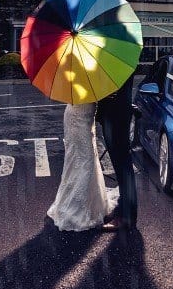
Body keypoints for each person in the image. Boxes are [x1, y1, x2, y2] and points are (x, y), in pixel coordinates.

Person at [47, 102, 118, 232]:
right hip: (77, 116)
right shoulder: (86, 83)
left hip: (84, 116)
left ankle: (88, 205)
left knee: (86, 160)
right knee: (83, 161)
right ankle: (79, 209)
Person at [96, 78, 137, 231]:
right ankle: (123, 211)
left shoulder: (117, 64)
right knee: (122, 168)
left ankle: (126, 217)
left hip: (116, 116)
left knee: (123, 167)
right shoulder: (118, 58)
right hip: (114, 116)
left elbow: (112, 89)